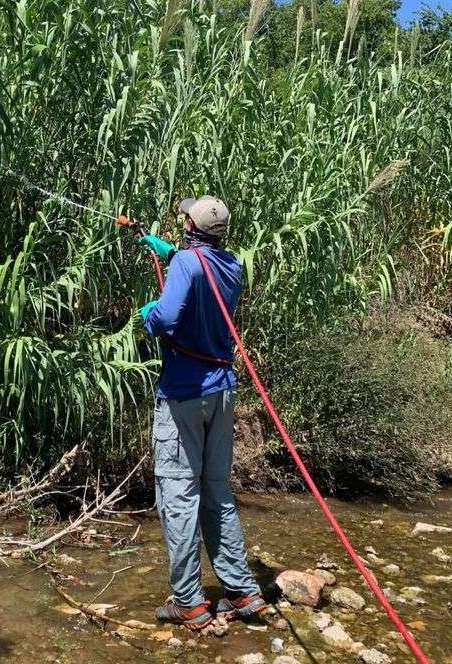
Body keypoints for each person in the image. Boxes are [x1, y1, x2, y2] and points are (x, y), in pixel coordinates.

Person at [137, 196, 265, 631]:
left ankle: (190, 602)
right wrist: (165, 251)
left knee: (178, 495)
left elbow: (167, 317)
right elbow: (199, 267)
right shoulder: (232, 266)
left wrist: (147, 315)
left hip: (183, 395)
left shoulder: (186, 266)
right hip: (222, 393)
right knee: (217, 492)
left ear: (191, 226)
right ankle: (242, 590)